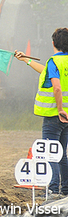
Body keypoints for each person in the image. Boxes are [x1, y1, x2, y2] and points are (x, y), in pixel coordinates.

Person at [15, 27, 68, 198]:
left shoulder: (55, 61)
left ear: (53, 43)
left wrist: (59, 109)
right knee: (61, 153)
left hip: (55, 115)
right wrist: (26, 60)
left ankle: (53, 190)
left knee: (50, 153)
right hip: (67, 116)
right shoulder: (59, 63)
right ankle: (65, 190)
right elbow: (45, 72)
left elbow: (57, 87)